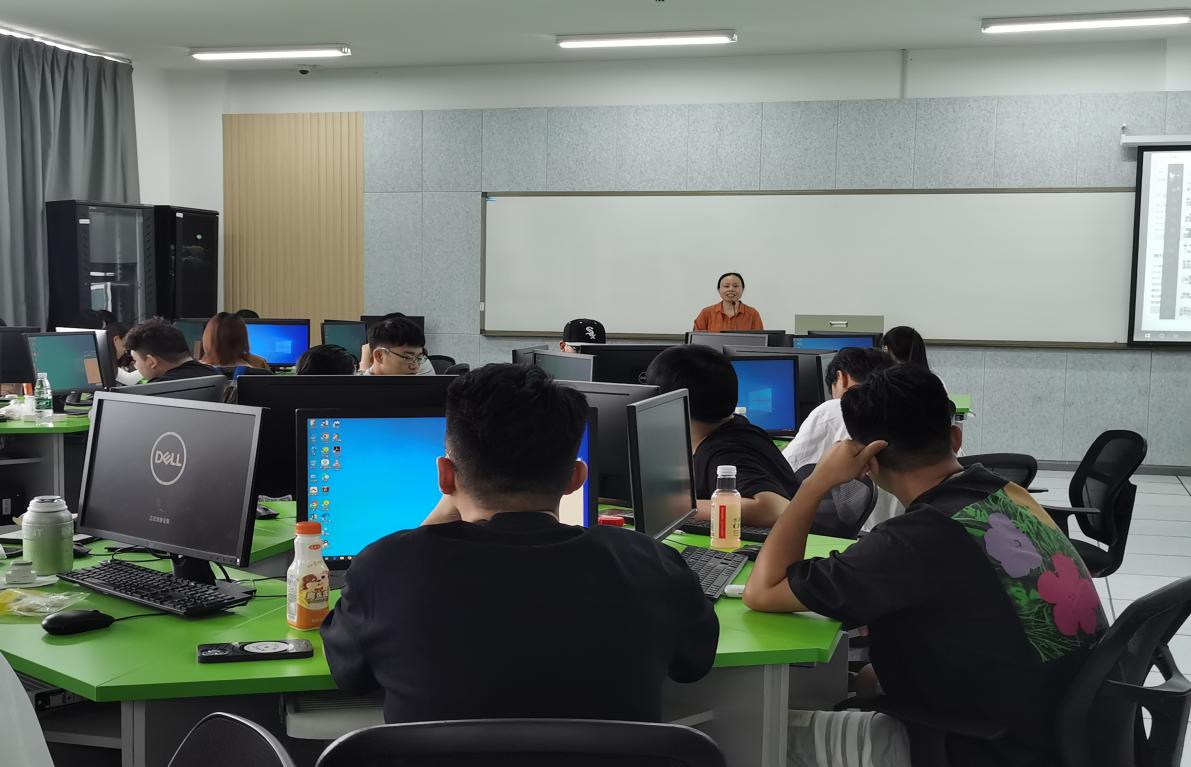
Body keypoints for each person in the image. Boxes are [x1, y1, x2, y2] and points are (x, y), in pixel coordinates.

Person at [744, 365, 1105, 767]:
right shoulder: (1006, 493)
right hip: (1061, 733)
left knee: (751, 732)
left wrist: (816, 482)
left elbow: (763, 591)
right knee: (853, 682)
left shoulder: (915, 539)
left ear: (868, 460)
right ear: (955, 437)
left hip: (980, 747)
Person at [321, 364, 718, 723]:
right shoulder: (652, 564)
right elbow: (693, 664)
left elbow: (349, 675)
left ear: (445, 476)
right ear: (576, 478)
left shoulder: (385, 568)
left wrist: (438, 511)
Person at [646, 345, 798, 527]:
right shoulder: (735, 426)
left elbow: (775, 509)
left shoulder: (724, 452)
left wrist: (675, 507)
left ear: (670, 404)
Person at [783, 347, 898, 529]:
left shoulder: (833, 409)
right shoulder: (905, 410)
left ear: (841, 377)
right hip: (904, 528)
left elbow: (784, 471)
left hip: (857, 534)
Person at [122, 318, 219, 383]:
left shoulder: (157, 390)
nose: (135, 366)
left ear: (151, 362)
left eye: (135, 360)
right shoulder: (215, 373)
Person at [360, 317, 433, 376]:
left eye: (419, 358)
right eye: (408, 358)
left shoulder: (422, 386)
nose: (415, 367)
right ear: (379, 356)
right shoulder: (358, 389)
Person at [692, 272, 763, 332]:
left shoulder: (752, 314)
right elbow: (696, 339)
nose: (731, 289)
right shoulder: (706, 313)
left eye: (735, 286)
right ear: (719, 290)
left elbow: (759, 340)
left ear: (743, 289)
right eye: (726, 286)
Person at [103, 321, 141, 386]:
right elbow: (129, 380)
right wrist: (149, 367)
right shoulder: (102, 362)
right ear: (116, 339)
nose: (125, 351)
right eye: (124, 346)